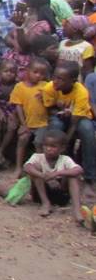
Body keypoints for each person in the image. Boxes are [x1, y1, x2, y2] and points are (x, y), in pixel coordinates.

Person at [42, 60, 96, 193]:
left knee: (87, 131)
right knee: (55, 125)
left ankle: (90, 177)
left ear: (73, 81)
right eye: (54, 76)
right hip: (61, 116)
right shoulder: (49, 88)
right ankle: (51, 169)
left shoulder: (81, 92)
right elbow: (49, 109)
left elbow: (75, 122)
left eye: (60, 79)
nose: (55, 81)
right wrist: (60, 112)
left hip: (80, 118)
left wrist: (64, 143)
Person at [23, 129, 84, 221]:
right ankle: (46, 203)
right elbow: (27, 167)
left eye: (53, 146)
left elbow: (79, 169)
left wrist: (57, 173)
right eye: (46, 145)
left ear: (62, 148)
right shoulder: (38, 157)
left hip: (61, 194)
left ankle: (77, 209)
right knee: (35, 169)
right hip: (40, 195)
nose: (48, 148)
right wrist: (44, 176)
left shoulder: (65, 159)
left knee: (73, 176)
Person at [11, 58, 50, 177]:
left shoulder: (45, 86)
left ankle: (40, 168)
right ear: (27, 71)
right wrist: (23, 124)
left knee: (39, 142)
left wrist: (45, 98)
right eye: (35, 72)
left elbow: (51, 103)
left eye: (42, 73)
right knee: (22, 139)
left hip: (42, 123)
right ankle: (18, 167)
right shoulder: (19, 87)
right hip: (27, 123)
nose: (38, 76)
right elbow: (18, 107)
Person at [0, 59, 19, 167]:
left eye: (12, 72)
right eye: (6, 71)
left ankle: (1, 150)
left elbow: (20, 103)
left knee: (12, 127)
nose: (9, 74)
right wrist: (0, 112)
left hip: (13, 111)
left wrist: (14, 114)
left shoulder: (17, 86)